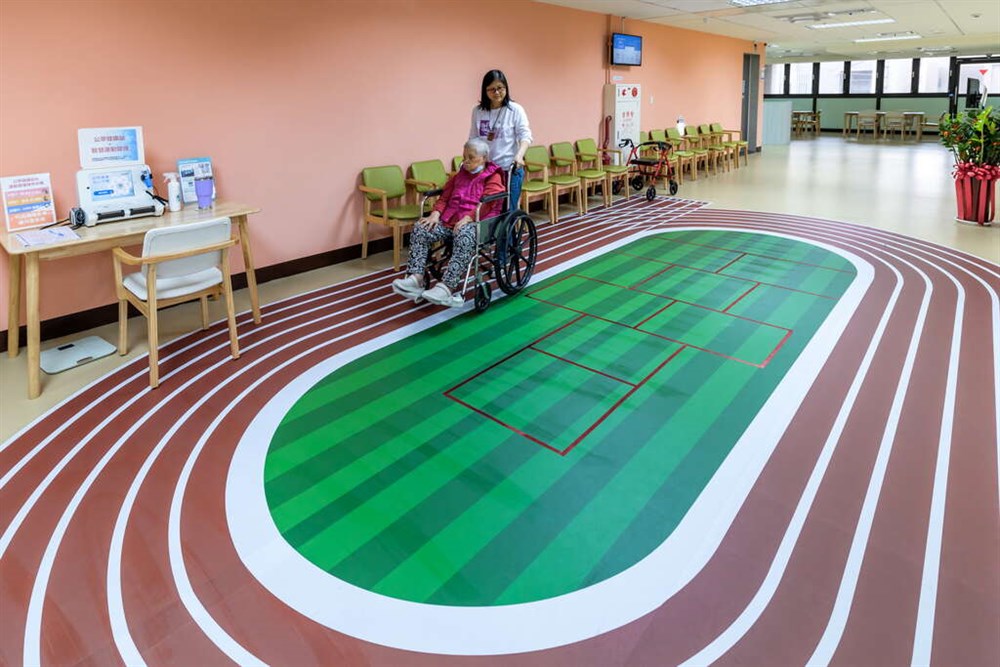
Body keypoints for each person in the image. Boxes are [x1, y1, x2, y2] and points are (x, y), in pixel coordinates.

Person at [392, 137, 504, 307]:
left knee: (464, 235)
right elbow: (444, 197)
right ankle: (416, 278)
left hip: (479, 223)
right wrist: (435, 214)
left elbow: (488, 204)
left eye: (471, 157)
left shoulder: (493, 177)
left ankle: (447, 287)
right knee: (421, 228)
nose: (466, 161)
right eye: (464, 156)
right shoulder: (459, 175)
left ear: (483, 158)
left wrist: (469, 218)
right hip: (450, 221)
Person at [469, 69, 532, 212]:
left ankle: (509, 227)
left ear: (506, 88)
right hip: (486, 169)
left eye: (500, 88)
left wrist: (519, 156)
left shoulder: (515, 110)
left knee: (508, 209)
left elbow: (525, 136)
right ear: (485, 91)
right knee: (487, 209)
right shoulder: (478, 111)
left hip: (509, 168)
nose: (496, 92)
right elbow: (473, 138)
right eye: (491, 89)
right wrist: (470, 159)